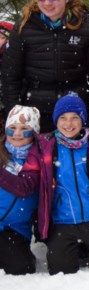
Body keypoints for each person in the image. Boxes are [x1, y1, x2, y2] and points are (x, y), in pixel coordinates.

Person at [24, 93, 89, 274]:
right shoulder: (44, 148)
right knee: (60, 271)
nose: (68, 124)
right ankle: (75, 248)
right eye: (63, 118)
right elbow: (28, 181)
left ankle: (87, 246)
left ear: (82, 120)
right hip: (62, 223)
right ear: (56, 120)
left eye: (74, 118)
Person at [1, 0, 89, 133]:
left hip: (74, 112)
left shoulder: (86, 27)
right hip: (34, 112)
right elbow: (11, 76)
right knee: (38, 158)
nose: (47, 2)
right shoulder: (25, 26)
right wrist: (14, 115)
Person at [0, 106, 41, 274]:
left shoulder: (38, 158)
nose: (17, 134)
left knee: (21, 268)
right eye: (12, 128)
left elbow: (23, 188)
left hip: (15, 229)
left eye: (24, 129)